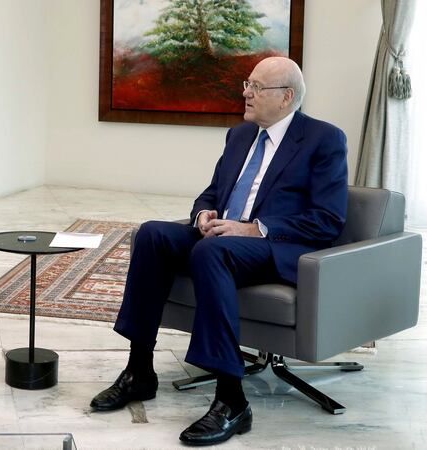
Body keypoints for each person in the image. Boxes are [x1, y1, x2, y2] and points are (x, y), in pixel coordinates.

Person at [89, 57, 348, 446]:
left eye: (257, 87)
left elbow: (327, 220)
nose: (246, 92)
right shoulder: (240, 135)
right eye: (248, 83)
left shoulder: (323, 139)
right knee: (151, 235)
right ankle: (139, 371)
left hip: (275, 249)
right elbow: (213, 192)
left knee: (212, 254)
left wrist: (254, 229)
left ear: (286, 97)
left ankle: (231, 399)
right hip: (224, 241)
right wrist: (203, 215)